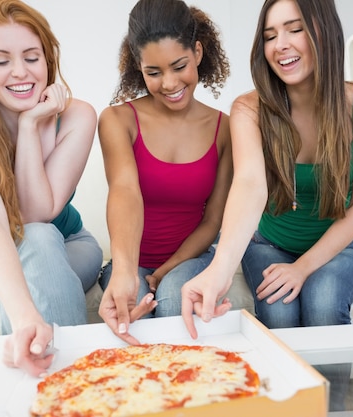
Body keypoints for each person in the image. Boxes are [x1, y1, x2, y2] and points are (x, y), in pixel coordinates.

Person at [182, 0, 353, 337]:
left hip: (344, 245)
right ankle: (286, 391)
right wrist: (219, 269)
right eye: (270, 35)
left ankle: (327, 394)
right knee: (278, 310)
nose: (281, 45)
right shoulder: (249, 109)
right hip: (268, 243)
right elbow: (249, 185)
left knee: (324, 299)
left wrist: (302, 268)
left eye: (295, 29)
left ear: (326, 31)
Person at [0, 0, 103, 377]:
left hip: (72, 245)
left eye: (31, 57)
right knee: (36, 242)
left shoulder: (77, 116)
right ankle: (76, 381)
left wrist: (29, 127)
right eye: (0, 61)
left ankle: (49, 384)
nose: (20, 72)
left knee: (42, 236)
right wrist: (24, 314)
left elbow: (38, 211)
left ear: (48, 60)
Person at [97, 0, 233, 345]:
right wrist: (128, 271)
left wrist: (164, 270)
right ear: (138, 69)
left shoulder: (225, 129)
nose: (170, 83)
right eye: (153, 73)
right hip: (130, 261)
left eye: (179, 66)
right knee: (132, 312)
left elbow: (212, 221)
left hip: (190, 259)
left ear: (198, 52)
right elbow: (124, 191)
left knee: (175, 299)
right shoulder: (117, 120)